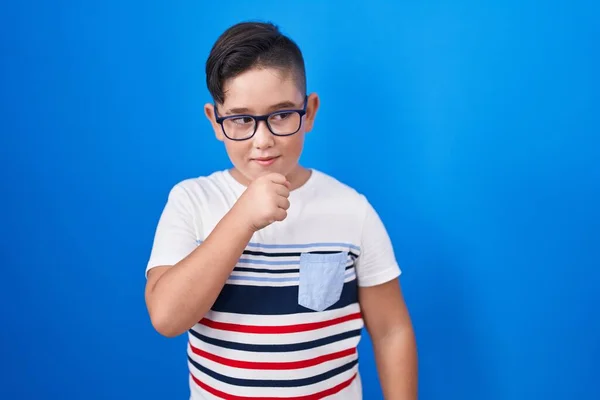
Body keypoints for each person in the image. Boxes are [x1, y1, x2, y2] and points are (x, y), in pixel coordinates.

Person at [144, 21, 417, 400]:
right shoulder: (192, 200)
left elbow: (391, 330)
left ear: (309, 112)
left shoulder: (352, 210)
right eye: (241, 119)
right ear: (215, 121)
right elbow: (167, 317)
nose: (263, 139)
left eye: (281, 114)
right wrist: (241, 218)